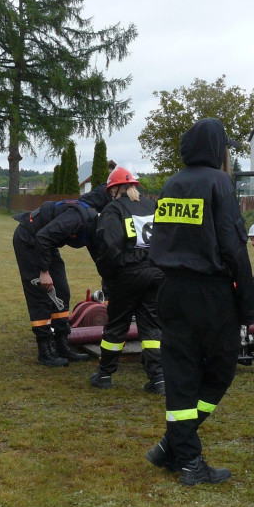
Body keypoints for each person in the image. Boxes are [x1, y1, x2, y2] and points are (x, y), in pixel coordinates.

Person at [145, 117, 254, 486]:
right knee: (221, 370)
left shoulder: (172, 183)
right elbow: (233, 246)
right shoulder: (219, 182)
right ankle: (186, 456)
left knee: (180, 375)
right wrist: (248, 303)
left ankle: (175, 449)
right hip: (211, 293)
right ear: (218, 149)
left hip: (171, 290)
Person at [90, 166, 164, 394]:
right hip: (156, 274)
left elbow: (109, 249)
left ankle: (104, 374)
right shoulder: (152, 206)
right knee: (152, 327)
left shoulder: (114, 210)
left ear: (114, 190)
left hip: (127, 276)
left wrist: (108, 277)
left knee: (117, 325)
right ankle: (159, 378)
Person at [12, 198, 98, 367]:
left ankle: (62, 345)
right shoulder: (78, 219)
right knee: (40, 293)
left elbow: (99, 256)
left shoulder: (96, 227)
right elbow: (43, 237)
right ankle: (44, 351)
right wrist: (44, 272)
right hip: (29, 238)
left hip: (46, 243)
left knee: (61, 291)